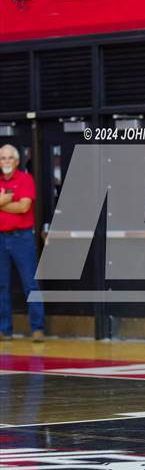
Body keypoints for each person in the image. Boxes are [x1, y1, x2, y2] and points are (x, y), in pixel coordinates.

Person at [0, 144, 45, 342]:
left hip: (22, 238)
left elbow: (24, 207)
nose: (6, 161)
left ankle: (37, 328)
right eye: (3, 158)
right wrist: (7, 201)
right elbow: (16, 205)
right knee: (1, 286)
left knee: (30, 284)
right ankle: (5, 330)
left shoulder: (25, 179)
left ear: (17, 161)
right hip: (1, 238)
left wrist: (2, 202)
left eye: (10, 158)